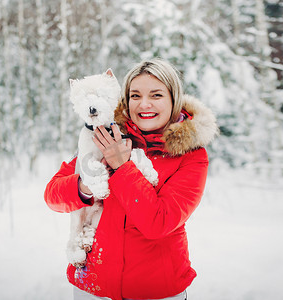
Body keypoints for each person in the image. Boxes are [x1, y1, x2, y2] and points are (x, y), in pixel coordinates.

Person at [44, 58, 219, 300]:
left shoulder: (191, 156)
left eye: (156, 95)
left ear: (173, 99)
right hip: (93, 287)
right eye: (135, 95)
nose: (144, 104)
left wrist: (122, 166)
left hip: (156, 291)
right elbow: (53, 195)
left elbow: (159, 223)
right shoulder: (105, 135)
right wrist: (87, 186)